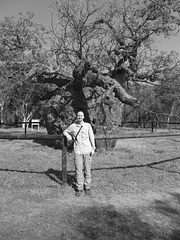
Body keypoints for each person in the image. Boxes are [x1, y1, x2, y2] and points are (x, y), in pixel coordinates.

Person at [63, 111, 96, 197]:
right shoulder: (73, 126)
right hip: (78, 151)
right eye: (78, 115)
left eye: (81, 115)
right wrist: (69, 137)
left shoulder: (88, 126)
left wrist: (93, 147)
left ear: (83, 117)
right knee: (78, 170)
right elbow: (65, 131)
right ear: (76, 117)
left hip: (87, 150)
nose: (80, 117)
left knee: (87, 169)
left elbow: (91, 136)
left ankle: (87, 186)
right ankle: (79, 187)